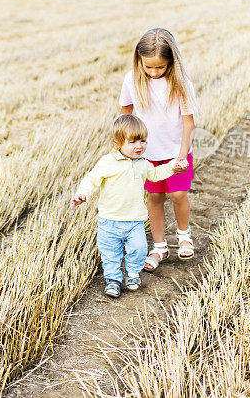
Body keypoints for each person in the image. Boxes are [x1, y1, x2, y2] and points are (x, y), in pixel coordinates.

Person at [70, 115, 186, 297]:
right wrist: (82, 193)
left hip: (135, 221)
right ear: (118, 142)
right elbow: (91, 180)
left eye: (143, 140)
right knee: (110, 254)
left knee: (139, 249)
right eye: (132, 142)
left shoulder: (143, 163)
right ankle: (113, 280)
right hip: (109, 221)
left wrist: (172, 167)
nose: (139, 146)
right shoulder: (107, 162)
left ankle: (132, 274)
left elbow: (155, 174)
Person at [119, 28, 199, 271]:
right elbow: (125, 116)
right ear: (139, 60)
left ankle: (184, 236)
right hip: (147, 154)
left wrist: (182, 154)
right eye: (148, 67)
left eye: (160, 67)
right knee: (154, 197)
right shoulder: (132, 79)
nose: (154, 72)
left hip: (176, 151)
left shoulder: (181, 82)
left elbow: (189, 123)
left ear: (171, 62)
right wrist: (124, 149)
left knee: (177, 195)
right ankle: (160, 248)